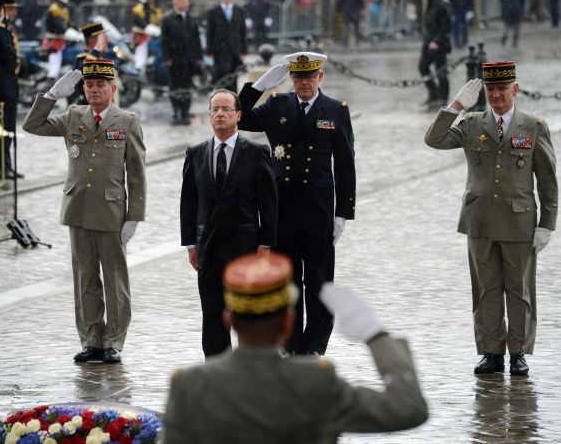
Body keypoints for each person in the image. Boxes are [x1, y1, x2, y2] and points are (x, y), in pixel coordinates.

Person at [163, 252, 428, 442]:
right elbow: (407, 409)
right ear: (289, 322)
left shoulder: (190, 386)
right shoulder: (315, 382)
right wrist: (375, 335)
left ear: (228, 320)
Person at [424, 62, 558, 375]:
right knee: (486, 289)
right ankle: (491, 352)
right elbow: (434, 139)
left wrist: (547, 224)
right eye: (490, 89)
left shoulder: (533, 126)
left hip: (519, 223)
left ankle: (518, 353)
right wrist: (456, 106)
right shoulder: (471, 123)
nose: (496, 95)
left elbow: (548, 180)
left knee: (519, 290)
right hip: (479, 221)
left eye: (502, 89)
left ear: (516, 89)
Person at [22, 59, 147, 364]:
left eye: (100, 85)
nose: (93, 90)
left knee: (116, 279)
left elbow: (137, 172)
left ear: (112, 89)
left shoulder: (127, 121)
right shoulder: (74, 115)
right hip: (78, 209)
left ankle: (114, 341)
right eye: (89, 85)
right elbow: (32, 125)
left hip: (111, 212)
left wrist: (134, 216)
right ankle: (92, 339)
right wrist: (50, 96)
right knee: (85, 278)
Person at [238, 52, 356, 356]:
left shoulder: (335, 110)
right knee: (286, 280)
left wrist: (343, 212)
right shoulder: (277, 104)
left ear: (320, 77)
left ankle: (315, 344)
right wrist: (259, 86)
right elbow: (240, 116)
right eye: (298, 77)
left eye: (309, 77)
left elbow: (345, 166)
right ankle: (289, 342)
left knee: (318, 280)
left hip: (318, 207)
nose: (303, 83)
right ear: (291, 78)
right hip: (283, 206)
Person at [180, 88, 278, 358]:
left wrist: (266, 244)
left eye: (226, 109)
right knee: (212, 312)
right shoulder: (196, 153)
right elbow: (188, 203)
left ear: (238, 115)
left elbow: (268, 203)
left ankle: (251, 366)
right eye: (215, 109)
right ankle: (217, 368)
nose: (220, 114)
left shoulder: (257, 152)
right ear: (209, 115)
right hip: (208, 247)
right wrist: (190, 243)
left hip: (245, 245)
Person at [0, 0, 24, 183]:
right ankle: (0, 167)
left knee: (9, 128)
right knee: (1, 127)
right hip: (1, 83)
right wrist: (1, 26)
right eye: (10, 9)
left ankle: (7, 165)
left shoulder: (6, 29)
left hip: (11, 82)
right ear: (0, 9)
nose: (14, 12)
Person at [160, 0, 202, 125]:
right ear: (176, 3)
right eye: (183, 2)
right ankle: (176, 110)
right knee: (175, 85)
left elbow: (196, 39)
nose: (186, 4)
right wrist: (167, 58)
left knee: (187, 84)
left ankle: (185, 110)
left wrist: (199, 57)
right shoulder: (167, 19)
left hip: (189, 59)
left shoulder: (191, 18)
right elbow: (164, 41)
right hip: (174, 59)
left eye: (187, 2)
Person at [206, 0, 247, 93]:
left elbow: (243, 32)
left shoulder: (239, 11)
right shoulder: (213, 12)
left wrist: (243, 51)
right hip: (219, 50)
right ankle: (222, 99)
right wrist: (210, 51)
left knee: (234, 78)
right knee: (222, 77)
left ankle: (233, 101)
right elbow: (209, 32)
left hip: (235, 50)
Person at [418, 0, 452, 109]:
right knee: (423, 67)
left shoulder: (442, 3)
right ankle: (434, 94)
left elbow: (446, 25)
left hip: (439, 42)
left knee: (441, 70)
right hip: (429, 39)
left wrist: (437, 41)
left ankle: (442, 98)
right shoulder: (431, 2)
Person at [70, 21, 109, 105]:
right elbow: (90, 70)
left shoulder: (99, 58)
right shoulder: (83, 59)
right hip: (87, 108)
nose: (107, 40)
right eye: (102, 37)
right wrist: (98, 49)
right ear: (92, 39)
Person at [43, 0, 69, 80]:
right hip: (53, 39)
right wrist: (66, 31)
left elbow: (67, 23)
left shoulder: (64, 11)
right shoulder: (53, 10)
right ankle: (52, 76)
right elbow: (59, 26)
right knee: (55, 59)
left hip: (62, 39)